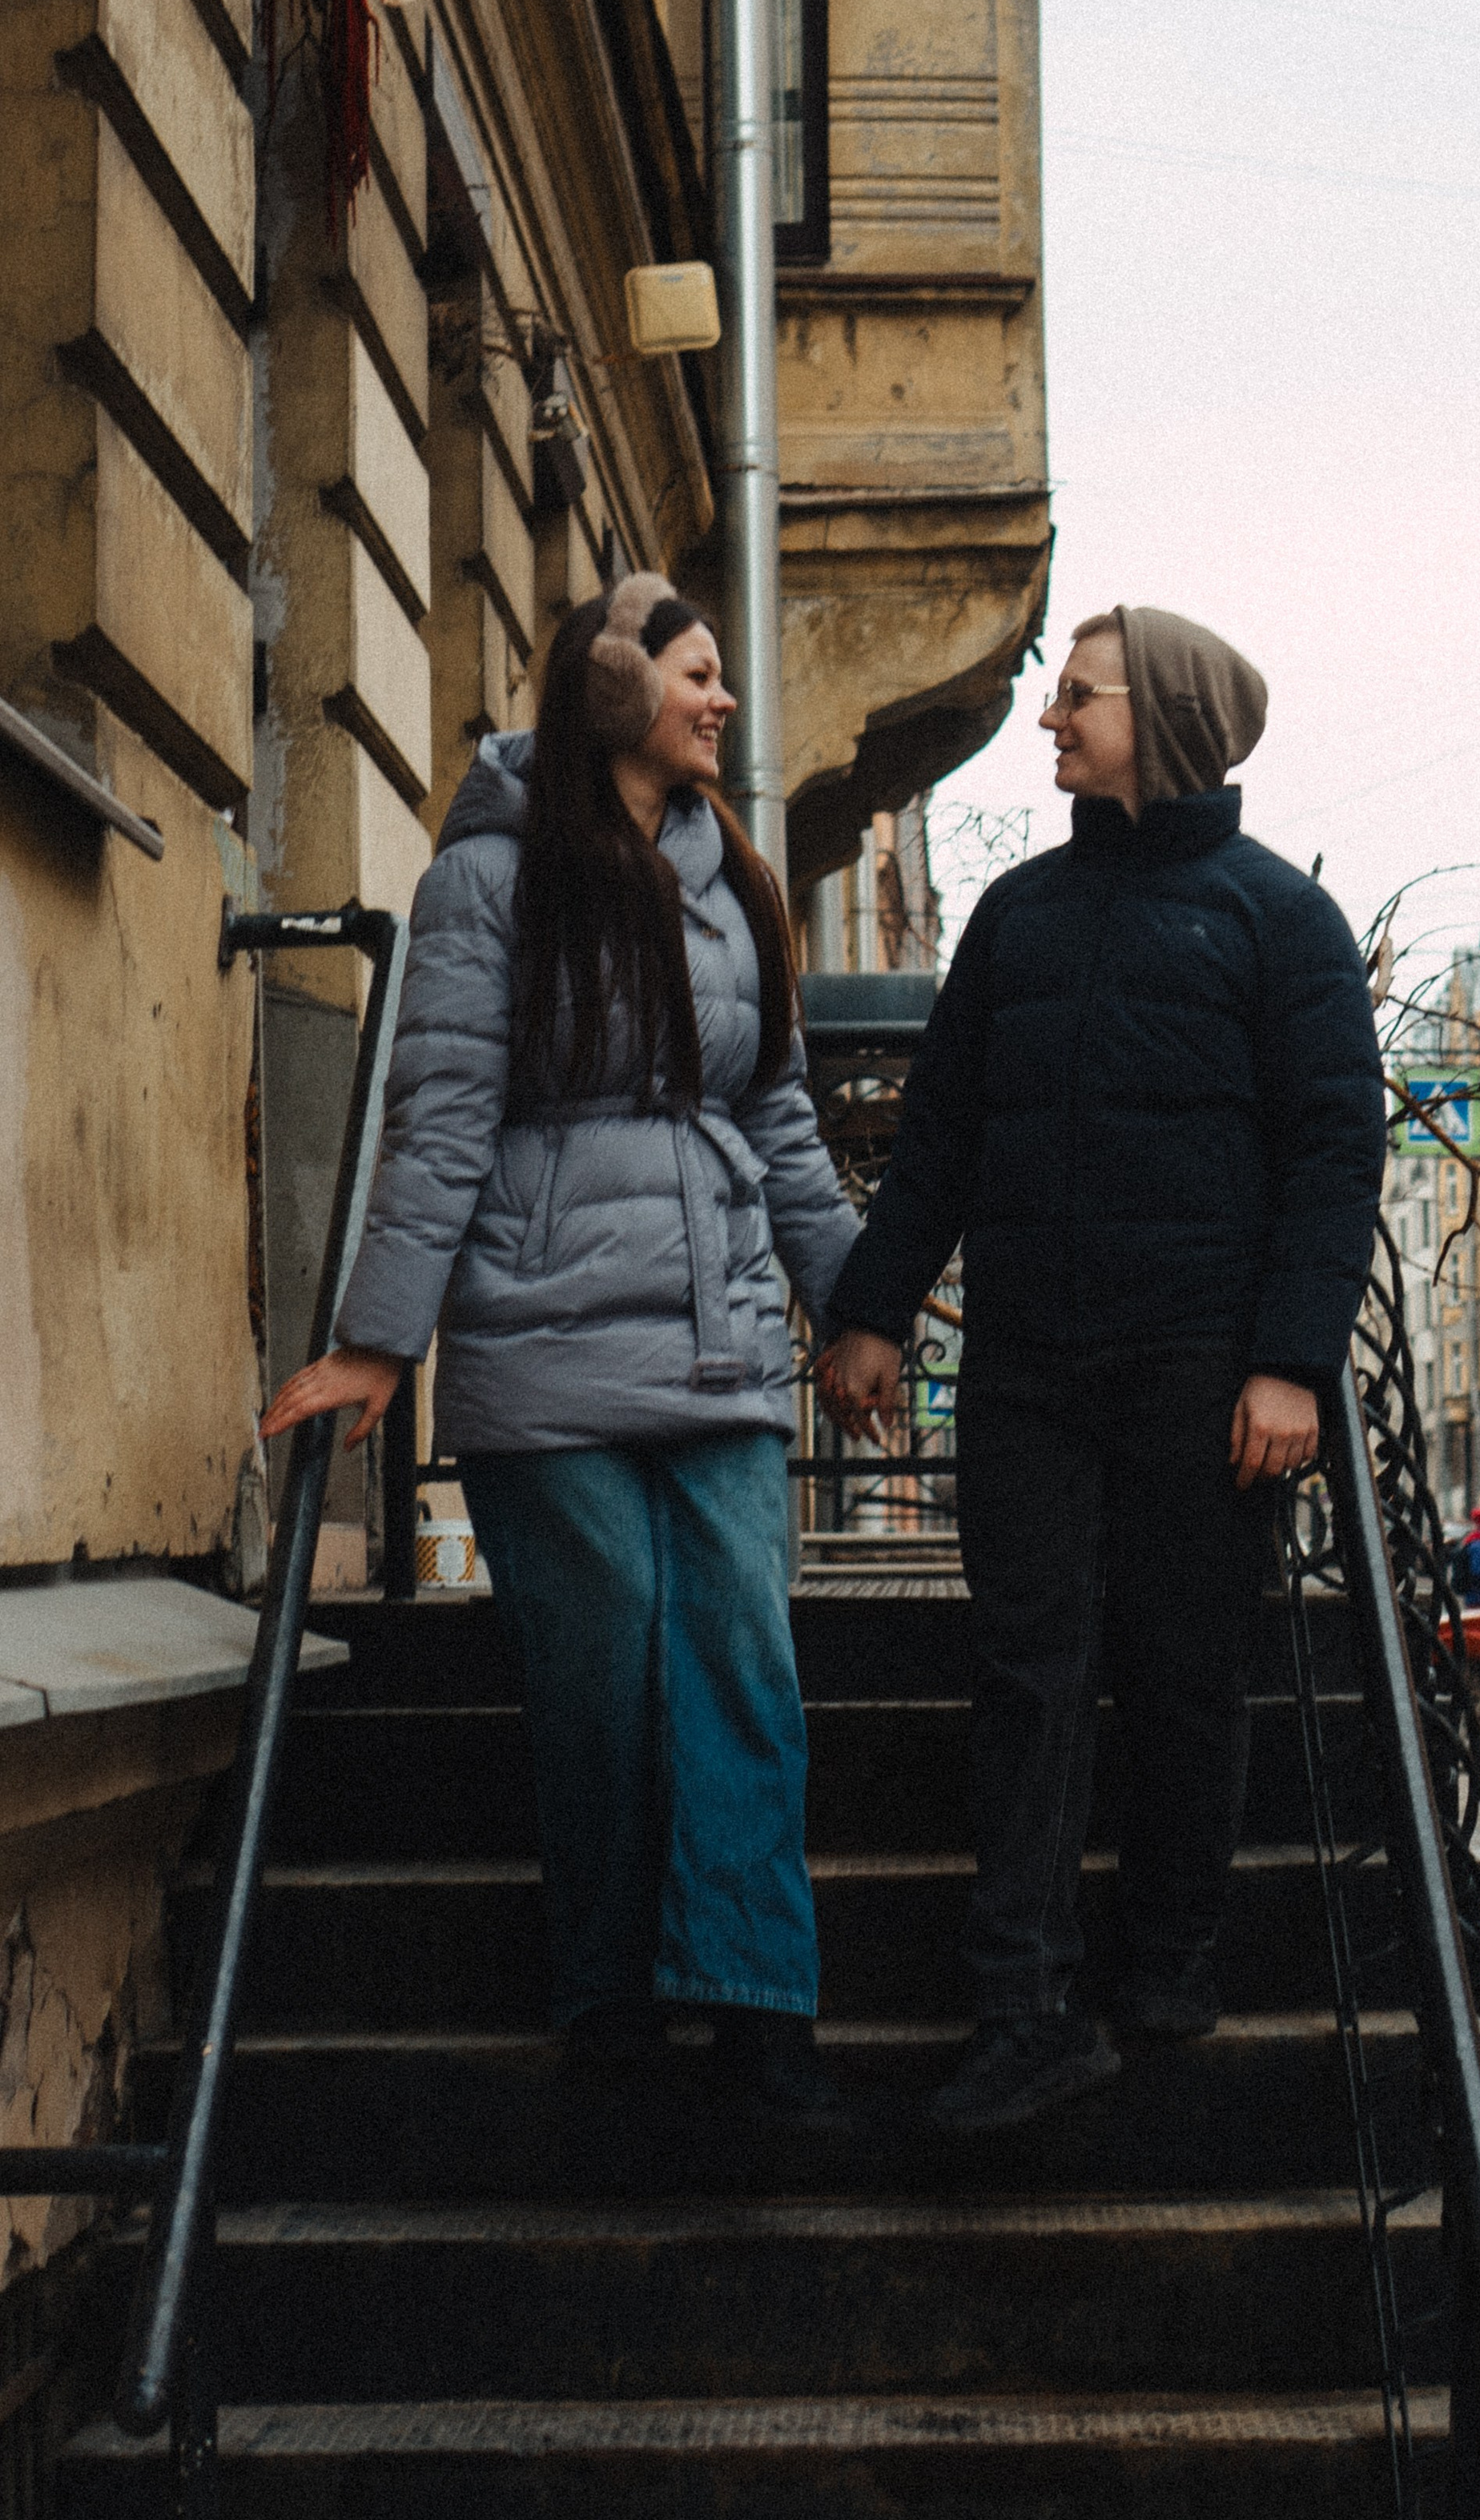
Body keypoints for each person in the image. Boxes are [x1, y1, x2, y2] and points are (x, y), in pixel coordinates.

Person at [259, 577, 859, 2118]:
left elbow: (779, 1118)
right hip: (543, 1343)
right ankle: (610, 2009)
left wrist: (850, 1301)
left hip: (720, 1336)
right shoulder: (494, 877)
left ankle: (758, 2012)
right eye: (698, 674)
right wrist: (381, 1344)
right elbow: (447, 1108)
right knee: (603, 1683)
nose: (725, 702)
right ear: (611, 691)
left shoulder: (735, 873)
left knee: (744, 1665)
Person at [817, 607, 1385, 2131]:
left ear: (1168, 717)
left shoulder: (1280, 923)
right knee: (1029, 1675)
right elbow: (939, 1137)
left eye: (1077, 697)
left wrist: (1291, 1365)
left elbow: (1338, 1158)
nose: (1051, 719)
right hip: (1029, 1370)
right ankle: (1024, 2006)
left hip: (1204, 1379)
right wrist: (872, 1309)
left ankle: (1173, 1968)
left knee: (1189, 1676)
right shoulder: (1018, 917)